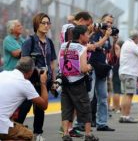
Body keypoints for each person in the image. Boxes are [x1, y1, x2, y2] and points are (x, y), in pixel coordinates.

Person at [16, 13, 57, 141]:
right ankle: (16, 131)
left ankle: (38, 133)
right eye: (43, 23)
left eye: (48, 23)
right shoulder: (30, 41)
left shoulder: (49, 42)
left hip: (45, 81)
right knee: (24, 107)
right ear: (36, 24)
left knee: (40, 109)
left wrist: (54, 81)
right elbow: (23, 62)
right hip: (30, 80)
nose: (46, 26)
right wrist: (35, 71)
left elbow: (52, 63)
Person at [59, 25, 98, 141]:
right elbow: (83, 68)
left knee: (66, 108)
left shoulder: (64, 45)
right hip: (78, 82)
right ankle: (88, 134)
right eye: (87, 34)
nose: (88, 36)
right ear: (81, 36)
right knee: (85, 107)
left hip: (65, 81)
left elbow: (60, 64)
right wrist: (91, 66)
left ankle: (65, 133)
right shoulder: (82, 48)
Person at [0, 57, 48, 141]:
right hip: (1, 124)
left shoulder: (3, 74)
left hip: (3, 120)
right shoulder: (25, 84)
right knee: (28, 135)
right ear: (30, 72)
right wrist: (43, 83)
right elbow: (44, 105)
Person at [88, 13, 114, 131]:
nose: (109, 25)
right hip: (91, 67)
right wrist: (105, 37)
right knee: (89, 96)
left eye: (111, 23)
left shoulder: (108, 37)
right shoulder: (96, 33)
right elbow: (94, 46)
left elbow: (109, 53)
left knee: (103, 97)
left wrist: (114, 40)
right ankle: (82, 123)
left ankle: (102, 123)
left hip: (102, 69)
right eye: (107, 22)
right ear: (102, 22)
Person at [118, 30, 138, 123]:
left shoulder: (127, 44)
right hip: (130, 73)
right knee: (129, 95)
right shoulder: (131, 45)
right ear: (137, 37)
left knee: (125, 95)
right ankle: (126, 116)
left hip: (124, 72)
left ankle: (123, 116)